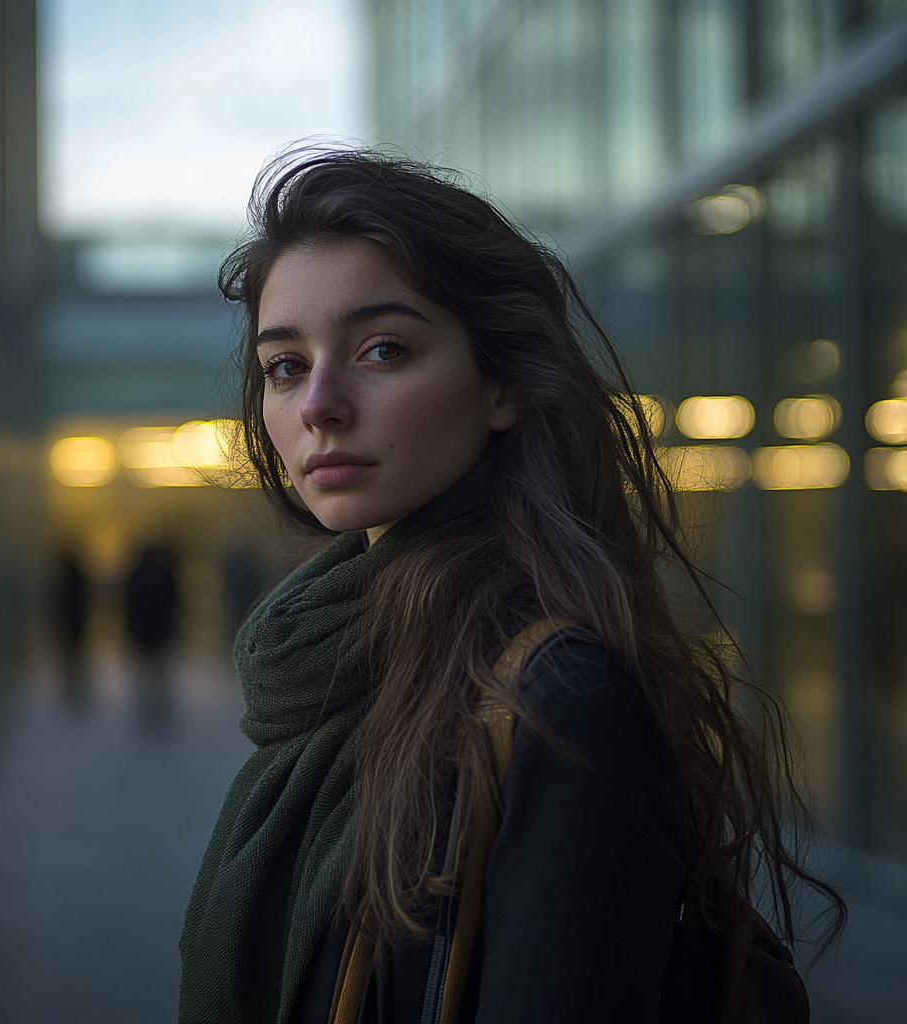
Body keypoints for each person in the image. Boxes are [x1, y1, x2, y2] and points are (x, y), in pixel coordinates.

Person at [178, 149, 844, 1024]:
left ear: (499, 384)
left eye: (383, 349)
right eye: (286, 365)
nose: (320, 405)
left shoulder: (562, 701)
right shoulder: (322, 669)